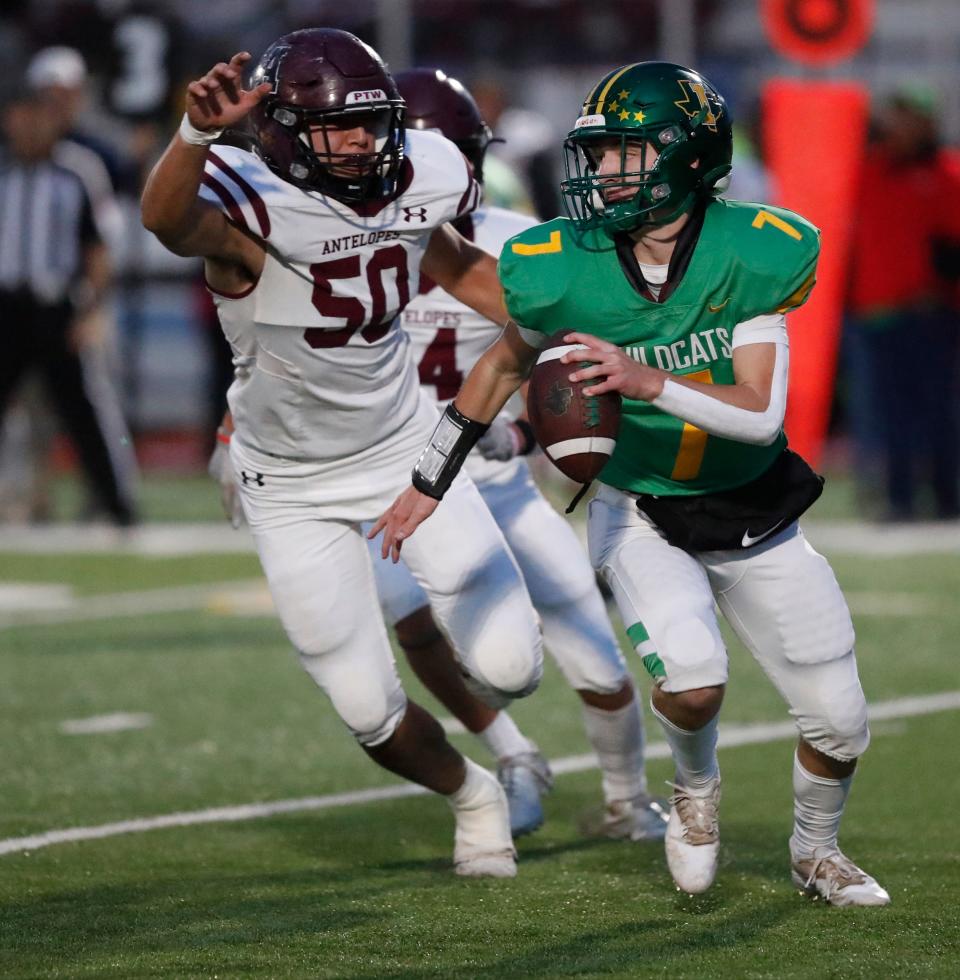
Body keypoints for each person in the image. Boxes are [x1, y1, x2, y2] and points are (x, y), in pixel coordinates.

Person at [372, 61, 889, 906]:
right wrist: (429, 480)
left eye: (625, 153)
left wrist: (646, 380)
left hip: (754, 503)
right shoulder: (564, 264)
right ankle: (694, 790)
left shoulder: (755, 250)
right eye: (600, 153)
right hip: (641, 506)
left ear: (686, 158)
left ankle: (816, 850)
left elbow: (759, 415)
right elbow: (502, 365)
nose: (604, 172)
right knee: (690, 684)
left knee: (840, 720)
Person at [141, 29, 543, 878]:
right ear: (285, 130)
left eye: (374, 123)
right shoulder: (249, 208)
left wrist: (566, 318)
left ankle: (510, 734)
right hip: (289, 485)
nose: (364, 142)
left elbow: (455, 260)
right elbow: (168, 220)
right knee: (368, 711)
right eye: (340, 128)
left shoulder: (416, 175)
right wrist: (193, 136)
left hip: (404, 444)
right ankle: (474, 796)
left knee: (512, 664)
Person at [360, 66, 667, 841]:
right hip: (399, 481)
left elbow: (562, 357)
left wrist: (528, 433)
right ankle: (511, 754)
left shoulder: (514, 243)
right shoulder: (348, 239)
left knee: (597, 658)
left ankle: (627, 800)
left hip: (495, 477)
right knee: (413, 624)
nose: (458, 174)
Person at [0, 87, 137, 527]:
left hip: (57, 305)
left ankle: (118, 506)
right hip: (5, 307)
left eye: (36, 116)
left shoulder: (77, 169)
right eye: (20, 115)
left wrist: (91, 310)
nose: (28, 126)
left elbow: (98, 249)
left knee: (85, 410)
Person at [845, 88, 960, 521]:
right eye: (894, 117)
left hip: (930, 313)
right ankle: (899, 500)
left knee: (936, 411)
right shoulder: (870, 171)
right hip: (876, 314)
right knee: (888, 414)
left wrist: (939, 286)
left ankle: (947, 499)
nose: (897, 127)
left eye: (906, 117)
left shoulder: (945, 172)